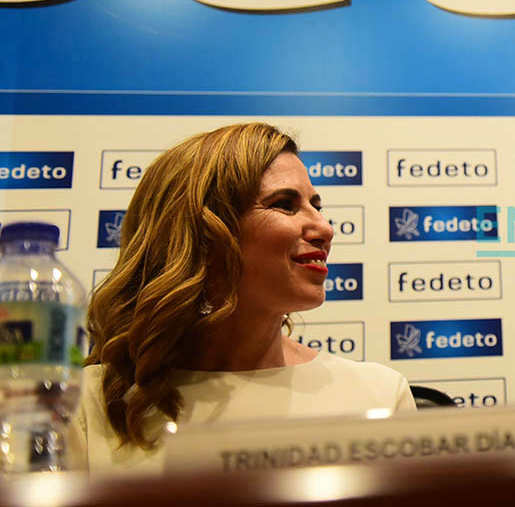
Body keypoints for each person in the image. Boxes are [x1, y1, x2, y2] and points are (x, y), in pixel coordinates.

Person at [71, 123, 415, 473]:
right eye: (285, 205)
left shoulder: (379, 395)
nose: (325, 228)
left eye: (316, 205)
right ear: (203, 236)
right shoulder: (81, 404)